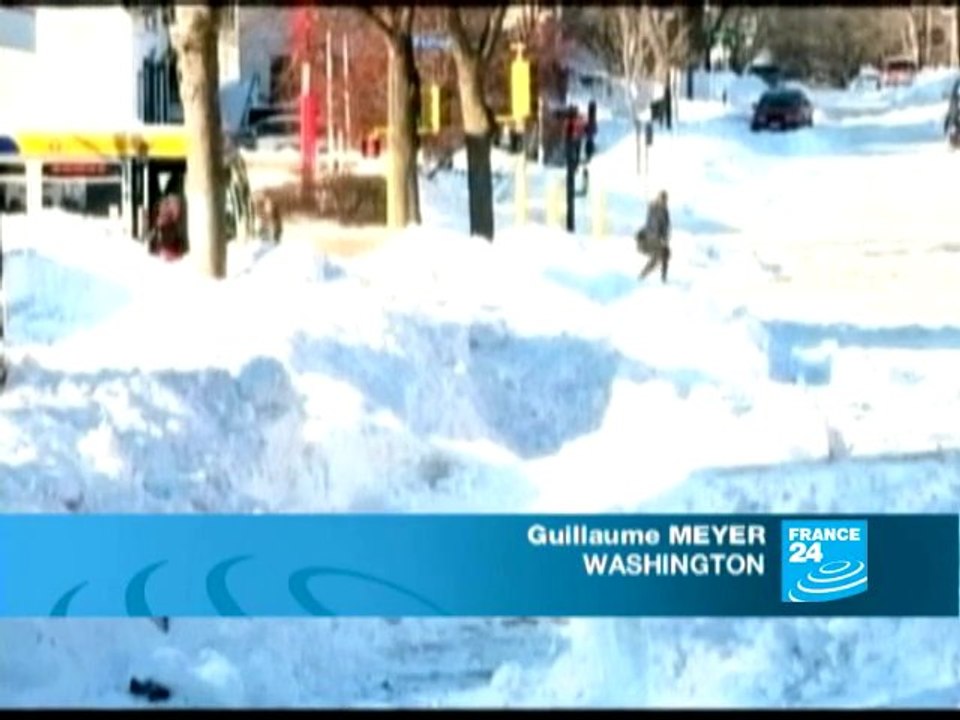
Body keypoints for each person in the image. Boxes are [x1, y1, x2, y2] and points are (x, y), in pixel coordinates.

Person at [147, 174, 186, 261]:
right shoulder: (176, 212)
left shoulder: (158, 223)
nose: (160, 236)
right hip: (167, 199)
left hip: (160, 202)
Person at [635, 189, 671, 283]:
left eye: (665, 200)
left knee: (665, 253)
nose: (664, 202)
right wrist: (661, 238)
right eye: (662, 199)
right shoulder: (654, 209)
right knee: (659, 255)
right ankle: (642, 276)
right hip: (647, 240)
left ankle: (663, 278)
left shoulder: (664, 211)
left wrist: (665, 239)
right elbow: (653, 227)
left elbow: (665, 228)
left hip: (657, 240)